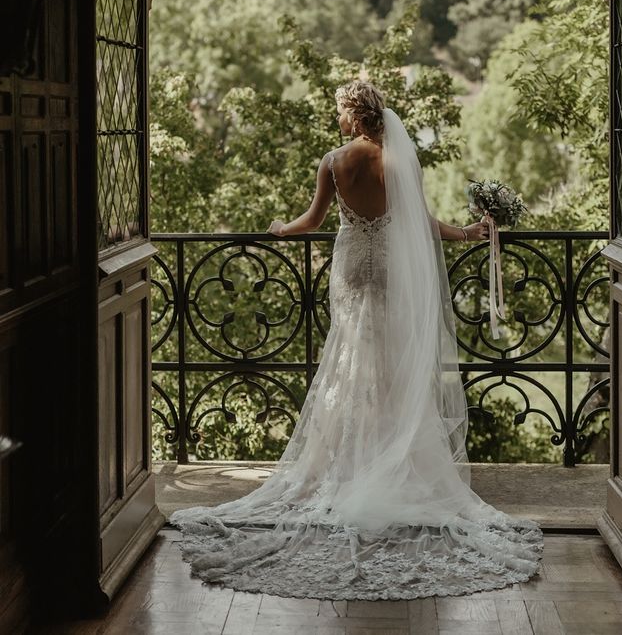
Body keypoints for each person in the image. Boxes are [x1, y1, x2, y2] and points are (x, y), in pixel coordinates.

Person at [170, 81, 543, 600]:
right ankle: (391, 458)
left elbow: (313, 220)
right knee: (390, 361)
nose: (338, 118)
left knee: (349, 361)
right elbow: (422, 223)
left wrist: (280, 230)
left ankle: (348, 462)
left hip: (351, 268)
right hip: (388, 266)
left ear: (353, 115)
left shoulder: (334, 161)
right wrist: (465, 233)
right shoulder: (401, 163)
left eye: (340, 111)